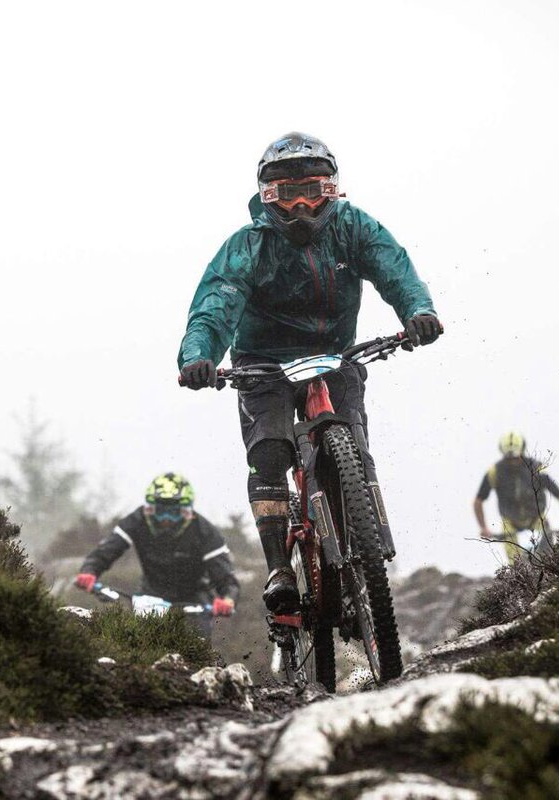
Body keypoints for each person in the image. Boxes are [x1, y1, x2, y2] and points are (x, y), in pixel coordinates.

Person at [177, 132, 442, 614]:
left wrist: (417, 311)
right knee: (271, 450)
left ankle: (362, 534)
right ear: (266, 197)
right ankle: (279, 568)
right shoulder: (247, 246)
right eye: (286, 194)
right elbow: (215, 304)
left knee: (353, 442)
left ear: (332, 190)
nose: (300, 206)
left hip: (336, 355)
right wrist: (199, 356)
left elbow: (395, 270)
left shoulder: (354, 227)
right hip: (263, 364)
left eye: (313, 192)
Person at [73, 472, 240, 637]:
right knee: (134, 639)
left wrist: (228, 599)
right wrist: (89, 571)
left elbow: (226, 577)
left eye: (174, 512)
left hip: (193, 601)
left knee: (195, 643)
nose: (166, 519)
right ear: (149, 509)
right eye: (160, 511)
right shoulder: (137, 520)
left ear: (186, 511)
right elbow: (107, 549)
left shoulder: (205, 532)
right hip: (150, 595)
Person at [474, 431, 559, 563]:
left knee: (548, 559)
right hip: (510, 523)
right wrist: (483, 527)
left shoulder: (537, 468)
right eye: (508, 458)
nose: (512, 461)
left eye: (515, 457)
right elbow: (478, 502)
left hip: (537, 519)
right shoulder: (494, 472)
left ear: (522, 451)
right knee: (516, 565)